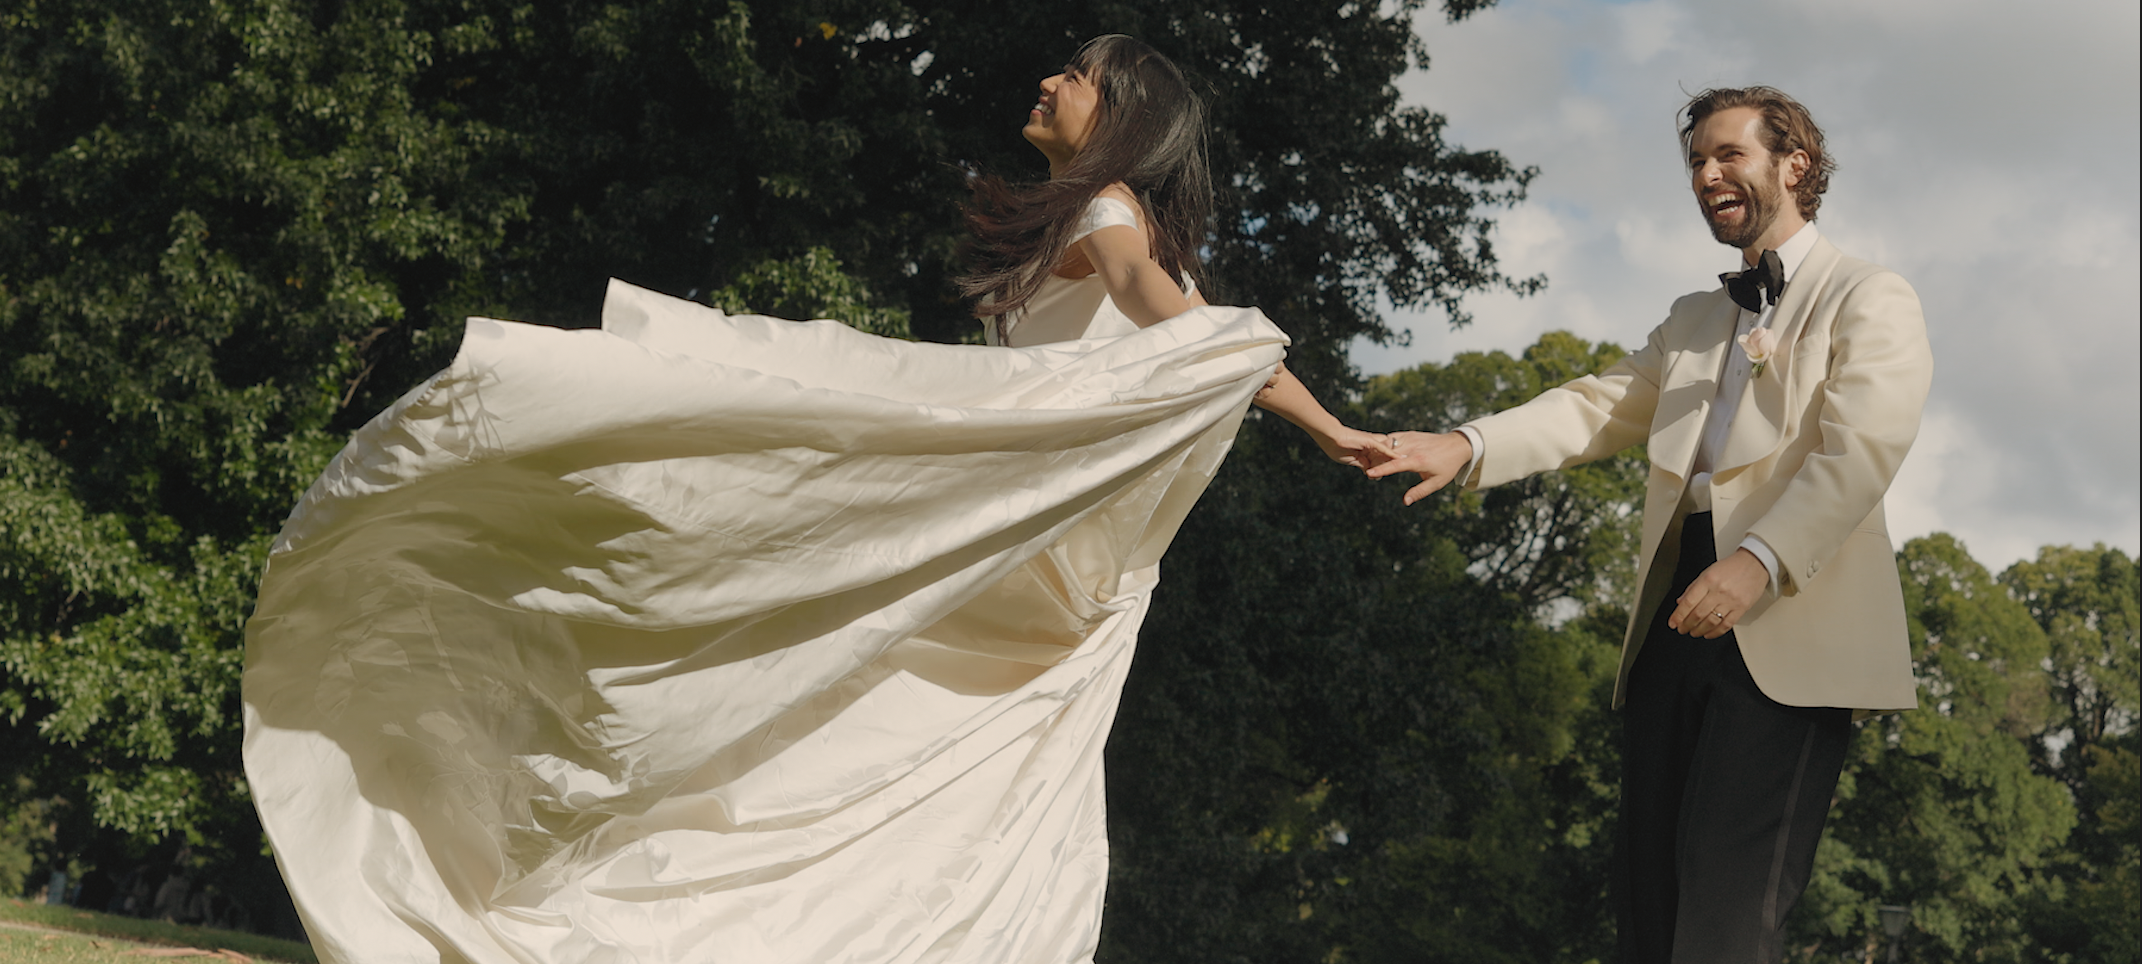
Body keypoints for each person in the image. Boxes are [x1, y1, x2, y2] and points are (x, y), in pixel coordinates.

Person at [243, 35, 1380, 964]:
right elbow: (1212, 330)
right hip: (1020, 575)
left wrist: (1335, 431)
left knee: (878, 732)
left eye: (1078, 73)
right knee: (880, 751)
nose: (1048, 77)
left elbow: (1174, 313)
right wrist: (1304, 406)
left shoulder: (1110, 210)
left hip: (1036, 575)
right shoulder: (1093, 222)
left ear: (1122, 114)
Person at [1367, 86, 1932, 962]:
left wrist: (1758, 560)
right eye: (1697, 162)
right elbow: (1594, 407)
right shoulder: (1693, 320)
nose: (1708, 176)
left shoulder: (1871, 295)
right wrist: (1466, 444)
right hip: (1674, 604)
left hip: (1788, 602)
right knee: (1648, 901)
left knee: (1727, 909)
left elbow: (1863, 451)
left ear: (1796, 164)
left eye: (1728, 155)